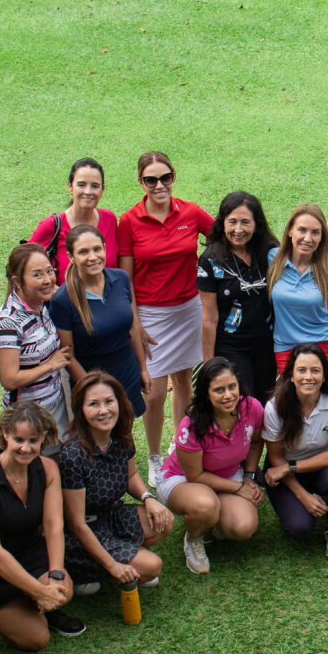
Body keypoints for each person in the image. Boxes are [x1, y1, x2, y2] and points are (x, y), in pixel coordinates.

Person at [117, 151, 214, 486]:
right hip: (150, 313)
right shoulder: (129, 221)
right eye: (151, 179)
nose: (159, 185)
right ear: (140, 182)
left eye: (165, 177)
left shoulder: (189, 212)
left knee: (185, 381)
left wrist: (207, 271)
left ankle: (179, 443)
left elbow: (220, 238)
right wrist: (136, 323)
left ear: (173, 177)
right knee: (154, 391)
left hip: (188, 309)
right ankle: (155, 457)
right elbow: (125, 279)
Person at [0, 401, 84, 648]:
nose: (26, 448)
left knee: (64, 590)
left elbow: (54, 524)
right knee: (37, 639)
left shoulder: (48, 469)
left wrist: (55, 575)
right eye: (19, 439)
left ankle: (36, 602)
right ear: (5, 433)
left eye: (33, 441)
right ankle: (18, 605)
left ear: (43, 438)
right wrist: (39, 591)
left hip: (29, 551)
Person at [59, 372, 173, 595]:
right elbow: (76, 524)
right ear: (81, 410)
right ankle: (88, 571)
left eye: (109, 401)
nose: (103, 410)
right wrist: (112, 565)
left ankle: (121, 563)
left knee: (164, 520)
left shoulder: (120, 437)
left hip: (111, 516)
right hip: (82, 532)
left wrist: (148, 498)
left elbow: (131, 476)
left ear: (119, 403)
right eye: (93, 404)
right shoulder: (73, 456)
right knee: (153, 567)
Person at [157, 357, 265, 575]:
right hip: (183, 479)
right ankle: (194, 537)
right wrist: (237, 488)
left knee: (243, 527)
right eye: (218, 390)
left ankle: (213, 521)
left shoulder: (251, 407)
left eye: (232, 387)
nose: (228, 395)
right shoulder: (192, 424)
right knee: (205, 506)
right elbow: (195, 476)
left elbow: (255, 442)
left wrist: (249, 478)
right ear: (206, 392)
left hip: (228, 474)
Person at [50, 225, 151, 424]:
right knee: (98, 443)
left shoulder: (120, 278)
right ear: (70, 256)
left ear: (105, 248)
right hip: (91, 382)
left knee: (126, 434)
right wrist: (92, 389)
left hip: (127, 371)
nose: (93, 257)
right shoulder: (63, 300)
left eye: (97, 249)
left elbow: (131, 328)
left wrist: (142, 368)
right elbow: (67, 354)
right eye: (83, 252)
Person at [263, 344, 328, 560]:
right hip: (285, 474)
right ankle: (308, 499)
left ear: (324, 376)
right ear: (291, 376)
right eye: (301, 370)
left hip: (323, 467)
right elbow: (276, 458)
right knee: (299, 528)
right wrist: (303, 496)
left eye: (315, 370)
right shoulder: (275, 407)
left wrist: (290, 467)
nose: (308, 377)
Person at [197, 191, 279, 399]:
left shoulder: (270, 252)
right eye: (232, 222)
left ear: (256, 224)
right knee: (243, 402)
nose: (238, 229)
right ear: (222, 222)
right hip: (230, 347)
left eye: (245, 222)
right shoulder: (210, 260)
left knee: (266, 405)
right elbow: (209, 317)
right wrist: (208, 365)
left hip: (266, 345)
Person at [0, 243, 72, 447]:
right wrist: (50, 365)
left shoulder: (41, 304)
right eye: (37, 275)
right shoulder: (8, 322)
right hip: (27, 416)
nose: (47, 280)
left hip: (54, 404)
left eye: (49, 271)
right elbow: (9, 379)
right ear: (17, 281)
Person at [267, 204, 328, 384]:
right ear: (290, 231)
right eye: (302, 230)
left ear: (322, 237)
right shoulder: (272, 260)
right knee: (293, 405)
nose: (308, 238)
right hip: (286, 349)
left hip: (325, 347)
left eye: (315, 232)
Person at [28, 157, 119, 284]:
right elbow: (21, 265)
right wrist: (55, 293)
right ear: (70, 187)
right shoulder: (52, 225)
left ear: (102, 190)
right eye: (81, 185)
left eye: (95, 186)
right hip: (67, 303)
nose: (88, 191)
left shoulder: (109, 219)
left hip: (107, 301)